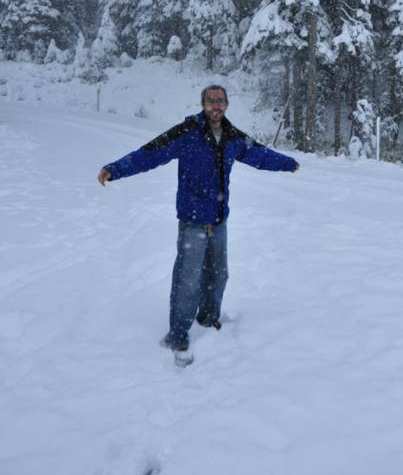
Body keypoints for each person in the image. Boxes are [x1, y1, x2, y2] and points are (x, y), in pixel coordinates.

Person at [97, 84, 299, 356]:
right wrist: (115, 170)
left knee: (219, 275)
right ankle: (177, 335)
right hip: (192, 221)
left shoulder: (232, 136)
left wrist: (288, 163)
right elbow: (150, 154)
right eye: (210, 100)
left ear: (226, 104)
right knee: (187, 280)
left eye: (220, 100)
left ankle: (208, 318)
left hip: (219, 221)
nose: (215, 105)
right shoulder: (187, 132)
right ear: (202, 103)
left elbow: (260, 155)